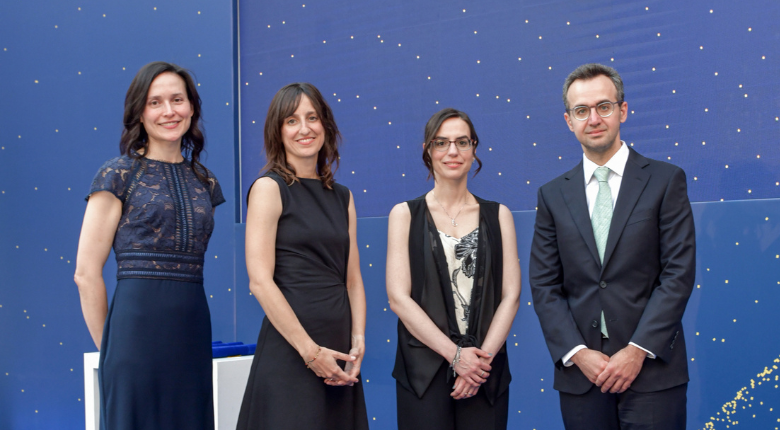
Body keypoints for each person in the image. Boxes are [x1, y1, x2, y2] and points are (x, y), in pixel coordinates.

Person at [529, 63, 696, 429]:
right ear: (569, 121)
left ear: (623, 110)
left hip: (652, 372)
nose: (593, 119)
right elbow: (544, 285)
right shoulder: (552, 195)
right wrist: (578, 353)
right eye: (581, 110)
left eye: (603, 106)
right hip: (582, 377)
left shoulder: (666, 180)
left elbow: (678, 273)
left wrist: (637, 350)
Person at [74, 61, 224, 430]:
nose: (169, 111)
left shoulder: (205, 181)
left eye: (178, 100)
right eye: (155, 102)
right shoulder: (117, 175)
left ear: (192, 107)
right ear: (140, 112)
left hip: (192, 332)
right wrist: (110, 349)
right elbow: (86, 273)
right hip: (133, 337)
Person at [236, 83, 369, 430]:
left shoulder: (343, 197)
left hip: (339, 354)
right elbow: (260, 281)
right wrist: (310, 352)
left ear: (325, 125)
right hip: (292, 351)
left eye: (312, 118)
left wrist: (358, 340)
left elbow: (353, 279)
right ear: (278, 131)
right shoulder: (269, 188)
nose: (304, 128)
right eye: (292, 121)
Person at [386, 108, 521, 430]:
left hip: (485, 369)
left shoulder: (499, 215)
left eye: (462, 142)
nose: (452, 151)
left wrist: (478, 364)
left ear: (474, 149)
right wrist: (456, 356)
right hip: (424, 371)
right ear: (427, 150)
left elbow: (511, 296)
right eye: (441, 143)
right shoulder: (404, 215)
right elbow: (398, 298)